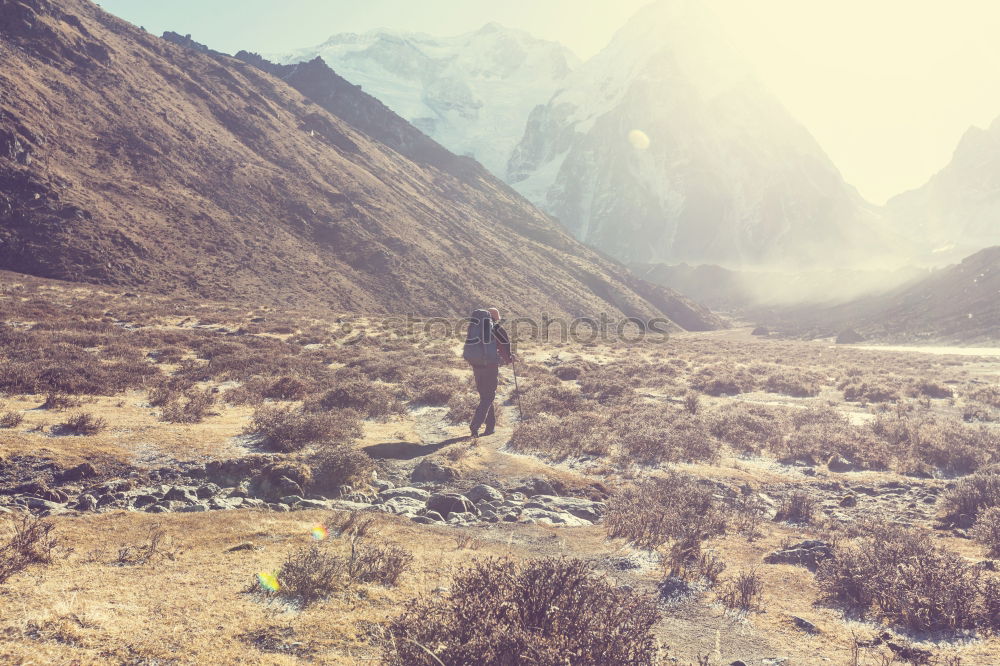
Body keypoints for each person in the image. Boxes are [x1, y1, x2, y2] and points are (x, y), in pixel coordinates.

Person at [465, 307, 513, 438]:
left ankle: (490, 425)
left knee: (484, 396)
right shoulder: (496, 329)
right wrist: (509, 359)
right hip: (490, 367)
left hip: (476, 366)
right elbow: (505, 348)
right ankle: (475, 426)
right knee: (489, 397)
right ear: (495, 317)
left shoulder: (474, 328)